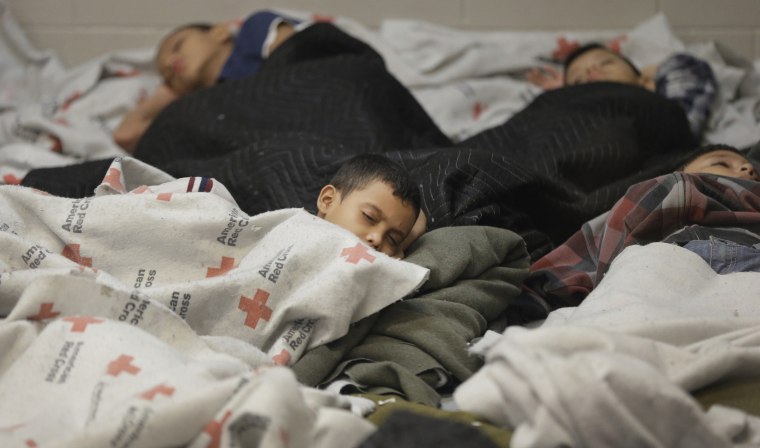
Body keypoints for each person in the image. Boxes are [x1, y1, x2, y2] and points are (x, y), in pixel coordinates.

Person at [508, 143, 760, 323]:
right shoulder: (682, 184)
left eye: (752, 169)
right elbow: (583, 257)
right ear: (684, 171)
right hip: (694, 258)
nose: (747, 170)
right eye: (721, 162)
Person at [113, 10, 302, 153]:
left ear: (219, 32)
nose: (171, 62)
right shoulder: (203, 106)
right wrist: (167, 91)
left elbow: (298, 56)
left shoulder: (254, 31)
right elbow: (126, 136)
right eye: (166, 73)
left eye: (178, 46)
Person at [526, 43, 718, 137]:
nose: (591, 72)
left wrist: (651, 79)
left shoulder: (667, 116)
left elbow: (683, 120)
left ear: (644, 79)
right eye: (578, 79)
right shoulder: (565, 115)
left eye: (605, 62)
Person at [316, 154, 427, 259]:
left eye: (393, 239)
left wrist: (398, 248)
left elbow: (420, 219)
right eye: (369, 217)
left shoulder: (375, 267)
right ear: (328, 201)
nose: (377, 239)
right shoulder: (300, 227)